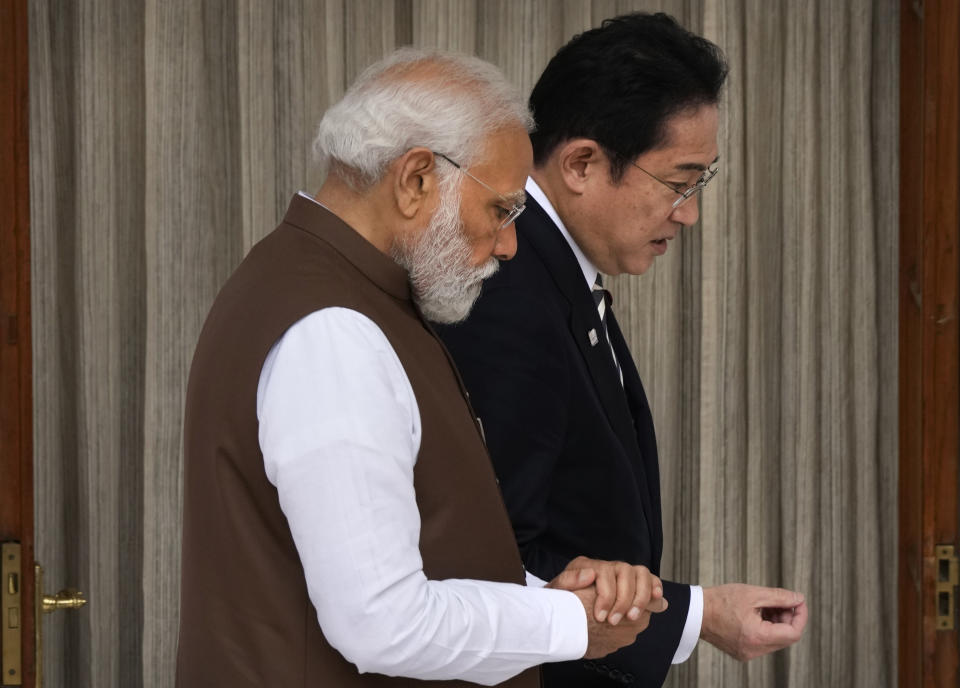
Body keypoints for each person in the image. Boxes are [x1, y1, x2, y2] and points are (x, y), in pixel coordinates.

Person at [175, 48, 672, 688]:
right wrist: (568, 623)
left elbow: (414, 550)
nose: (509, 245)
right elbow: (384, 623)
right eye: (501, 210)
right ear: (415, 180)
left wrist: (543, 589)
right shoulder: (335, 333)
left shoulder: (335, 289)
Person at [435, 13, 809, 687]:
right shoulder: (510, 293)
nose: (689, 212)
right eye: (677, 181)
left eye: (701, 180)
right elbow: (496, 562)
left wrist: (705, 615)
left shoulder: (557, 272)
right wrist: (694, 615)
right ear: (581, 163)